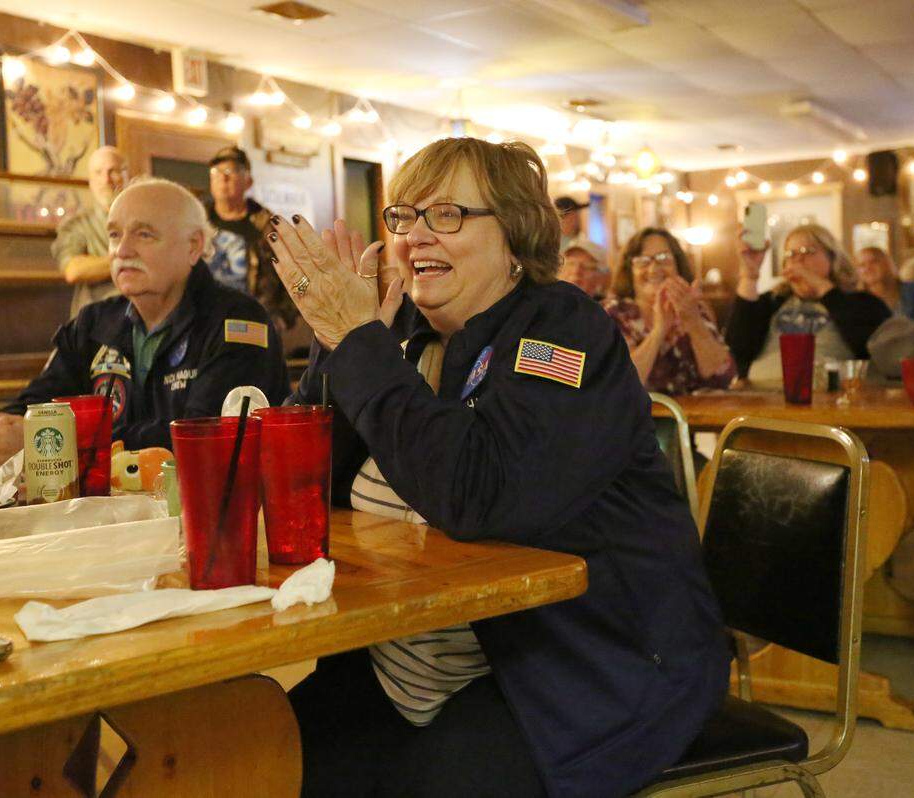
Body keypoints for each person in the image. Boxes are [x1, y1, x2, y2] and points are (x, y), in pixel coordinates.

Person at [268, 138, 729, 798]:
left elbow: (480, 495)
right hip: (411, 660)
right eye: (402, 216)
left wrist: (360, 343)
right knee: (260, 750)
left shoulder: (562, 332)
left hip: (589, 667)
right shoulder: (406, 339)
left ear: (516, 236)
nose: (414, 236)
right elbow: (301, 481)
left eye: (448, 214)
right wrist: (333, 339)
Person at [0, 178, 289, 462]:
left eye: (144, 234)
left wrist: (57, 440)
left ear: (193, 246)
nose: (122, 250)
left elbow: (203, 437)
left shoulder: (237, 321)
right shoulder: (94, 323)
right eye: (114, 234)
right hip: (103, 516)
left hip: (210, 513)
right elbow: (32, 407)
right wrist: (3, 429)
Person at [727, 223, 892, 387]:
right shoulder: (772, 301)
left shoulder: (861, 302)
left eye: (808, 251)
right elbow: (738, 350)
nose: (798, 259)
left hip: (830, 398)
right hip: (762, 396)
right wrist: (749, 277)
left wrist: (822, 287)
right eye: (791, 254)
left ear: (832, 257)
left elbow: (878, 349)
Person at [602, 228, 734, 395]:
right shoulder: (613, 314)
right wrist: (659, 330)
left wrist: (692, 320)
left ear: (678, 265)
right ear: (629, 270)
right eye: (643, 260)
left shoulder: (696, 308)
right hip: (639, 419)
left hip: (699, 417)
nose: (653, 269)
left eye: (664, 258)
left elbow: (723, 377)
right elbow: (623, 384)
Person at [205, 146, 298, 332]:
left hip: (254, 326)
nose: (223, 178)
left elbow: (299, 277)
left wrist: (284, 317)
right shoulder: (196, 222)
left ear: (248, 181)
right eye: (216, 172)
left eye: (231, 171)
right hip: (204, 324)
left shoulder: (269, 227)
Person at [52, 146, 130, 318]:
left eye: (113, 171)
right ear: (90, 181)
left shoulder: (148, 219)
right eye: (98, 173)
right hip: (99, 321)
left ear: (126, 176)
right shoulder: (76, 224)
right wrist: (132, 261)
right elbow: (74, 270)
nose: (106, 179)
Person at [856, 246, 914, 321]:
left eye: (874, 262)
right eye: (862, 265)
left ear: (887, 263)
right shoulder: (858, 301)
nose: (868, 268)